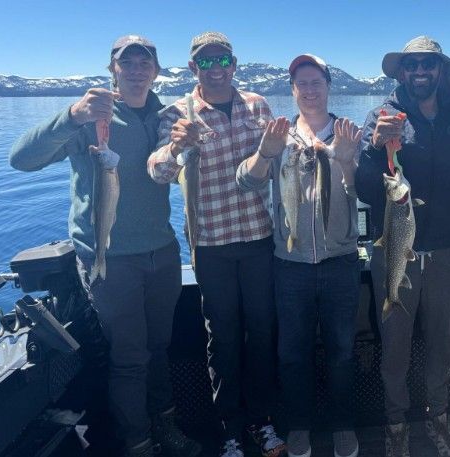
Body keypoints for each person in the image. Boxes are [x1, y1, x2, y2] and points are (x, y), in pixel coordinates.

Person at [10, 35, 200, 457]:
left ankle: (165, 423)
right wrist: (71, 116)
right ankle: (138, 441)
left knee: (160, 348)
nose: (136, 69)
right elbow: (21, 160)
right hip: (110, 260)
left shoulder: (165, 116)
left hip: (163, 253)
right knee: (130, 357)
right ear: (113, 69)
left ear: (155, 70)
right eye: (126, 62)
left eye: (144, 62)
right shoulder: (93, 119)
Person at [147, 32, 284, 457]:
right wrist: (175, 146)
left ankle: (262, 421)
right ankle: (229, 427)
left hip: (261, 239)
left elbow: (280, 159)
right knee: (222, 338)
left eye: (222, 59)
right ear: (193, 69)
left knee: (262, 332)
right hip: (211, 245)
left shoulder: (258, 105)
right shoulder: (178, 114)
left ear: (234, 63)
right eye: (206, 62)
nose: (216, 68)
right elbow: (157, 171)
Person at [355, 36, 450, 457]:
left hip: (447, 249)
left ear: (440, 71)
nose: (419, 72)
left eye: (427, 65)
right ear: (400, 72)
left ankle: (439, 418)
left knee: (441, 340)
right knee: (394, 344)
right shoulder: (381, 116)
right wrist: (376, 149)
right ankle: (396, 425)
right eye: (411, 65)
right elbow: (362, 186)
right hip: (395, 248)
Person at [236, 53, 362, 457]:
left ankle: (343, 424)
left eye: (316, 82)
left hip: (341, 261)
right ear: (292, 90)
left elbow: (368, 195)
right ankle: (300, 425)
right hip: (290, 266)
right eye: (301, 83)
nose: (309, 90)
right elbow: (248, 183)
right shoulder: (277, 134)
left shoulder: (349, 132)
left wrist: (345, 161)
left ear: (328, 86)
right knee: (292, 353)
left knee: (343, 350)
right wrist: (265, 153)